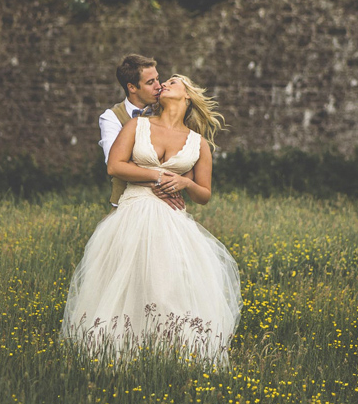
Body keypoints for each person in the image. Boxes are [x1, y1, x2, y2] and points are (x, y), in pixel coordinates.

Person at [61, 75, 242, 364]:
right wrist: (159, 175)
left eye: (173, 81)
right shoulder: (137, 125)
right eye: (162, 81)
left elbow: (204, 194)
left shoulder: (199, 144)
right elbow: (114, 166)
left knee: (168, 287)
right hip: (133, 213)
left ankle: (169, 356)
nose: (164, 84)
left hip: (172, 222)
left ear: (188, 96)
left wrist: (185, 184)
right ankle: (114, 355)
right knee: (126, 286)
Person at [98, 53, 184, 211]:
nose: (159, 86)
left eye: (158, 79)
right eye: (150, 82)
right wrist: (159, 179)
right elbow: (115, 165)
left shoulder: (168, 108)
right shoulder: (112, 118)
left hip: (168, 208)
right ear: (131, 87)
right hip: (126, 205)